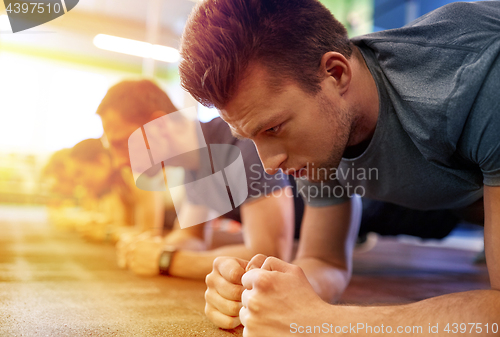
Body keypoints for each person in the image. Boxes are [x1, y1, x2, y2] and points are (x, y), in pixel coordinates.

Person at [179, 0, 500, 335]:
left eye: (273, 129)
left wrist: (322, 322)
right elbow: (324, 261)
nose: (269, 164)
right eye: (250, 137)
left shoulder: (478, 77)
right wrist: (261, 293)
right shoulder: (319, 133)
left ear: (336, 73)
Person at [96, 80, 296, 280]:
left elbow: (269, 258)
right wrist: (148, 247)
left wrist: (166, 260)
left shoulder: (242, 144)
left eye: (122, 143)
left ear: (158, 125)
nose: (118, 162)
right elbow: (192, 237)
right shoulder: (194, 165)